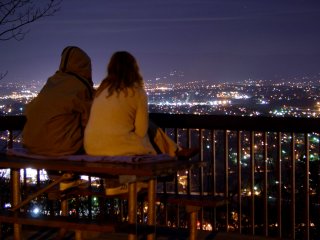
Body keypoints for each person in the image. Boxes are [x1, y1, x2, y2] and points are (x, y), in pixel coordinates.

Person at [84, 51, 198, 159]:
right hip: (117, 148)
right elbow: (141, 131)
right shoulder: (136, 92)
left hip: (92, 148)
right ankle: (176, 151)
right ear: (134, 69)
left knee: (150, 127)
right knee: (149, 142)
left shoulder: (101, 92)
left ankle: (176, 150)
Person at [22, 46, 94, 156]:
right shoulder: (81, 86)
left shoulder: (52, 82)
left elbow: (30, 109)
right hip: (63, 148)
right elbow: (90, 119)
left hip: (33, 146)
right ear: (85, 66)